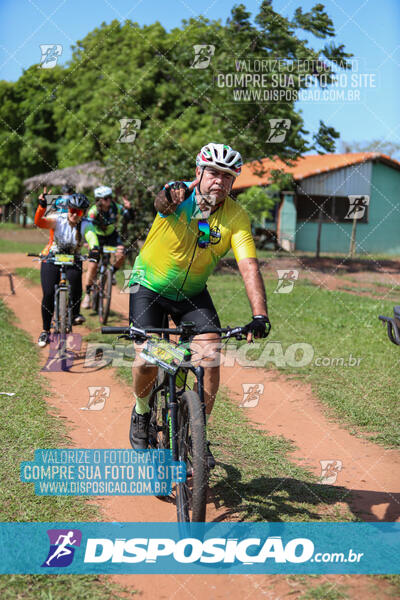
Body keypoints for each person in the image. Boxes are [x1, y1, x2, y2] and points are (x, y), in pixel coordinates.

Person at [128, 142, 271, 466]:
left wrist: (259, 314)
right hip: (147, 286)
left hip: (192, 293)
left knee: (210, 358)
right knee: (146, 359)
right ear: (199, 172)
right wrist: (171, 194)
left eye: (227, 176)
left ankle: (196, 433)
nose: (219, 181)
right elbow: (162, 201)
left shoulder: (236, 216)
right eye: (213, 173)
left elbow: (248, 265)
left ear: (233, 182)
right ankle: (141, 412)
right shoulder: (179, 195)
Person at [34, 190, 90, 347]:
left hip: (73, 259)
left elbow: (92, 237)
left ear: (83, 213)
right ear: (68, 209)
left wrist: (94, 249)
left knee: (76, 286)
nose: (75, 214)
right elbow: (39, 222)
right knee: (49, 293)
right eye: (72, 210)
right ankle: (45, 330)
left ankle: (74, 314)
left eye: (78, 212)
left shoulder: (85, 224)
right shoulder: (57, 219)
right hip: (51, 257)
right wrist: (42, 206)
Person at [82, 186, 133, 308]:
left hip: (112, 235)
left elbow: (128, 217)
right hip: (97, 236)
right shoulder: (93, 211)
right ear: (99, 200)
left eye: (110, 197)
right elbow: (87, 226)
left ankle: (111, 272)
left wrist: (129, 209)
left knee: (122, 254)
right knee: (93, 265)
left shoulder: (115, 207)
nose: (109, 200)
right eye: (106, 198)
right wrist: (86, 242)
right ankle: (87, 294)